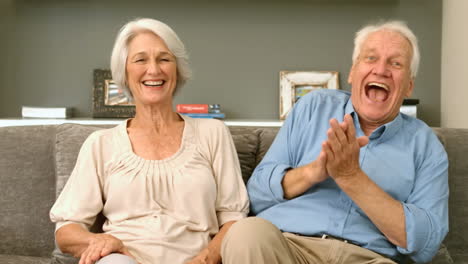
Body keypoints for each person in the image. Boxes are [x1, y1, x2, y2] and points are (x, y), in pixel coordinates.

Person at [221, 21, 448, 264]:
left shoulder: (426, 145)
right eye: (370, 58)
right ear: (352, 72)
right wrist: (313, 172)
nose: (381, 70)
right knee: (245, 234)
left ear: (409, 86)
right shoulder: (313, 107)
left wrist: (351, 177)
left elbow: (425, 243)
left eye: (396, 63)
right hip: (289, 246)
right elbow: (256, 194)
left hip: (369, 257)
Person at [50, 18, 249, 264]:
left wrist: (205, 259)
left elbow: (233, 218)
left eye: (164, 59)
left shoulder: (212, 133)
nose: (154, 70)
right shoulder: (101, 144)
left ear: (177, 69)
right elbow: (66, 228)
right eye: (140, 59)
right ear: (125, 71)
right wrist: (98, 241)